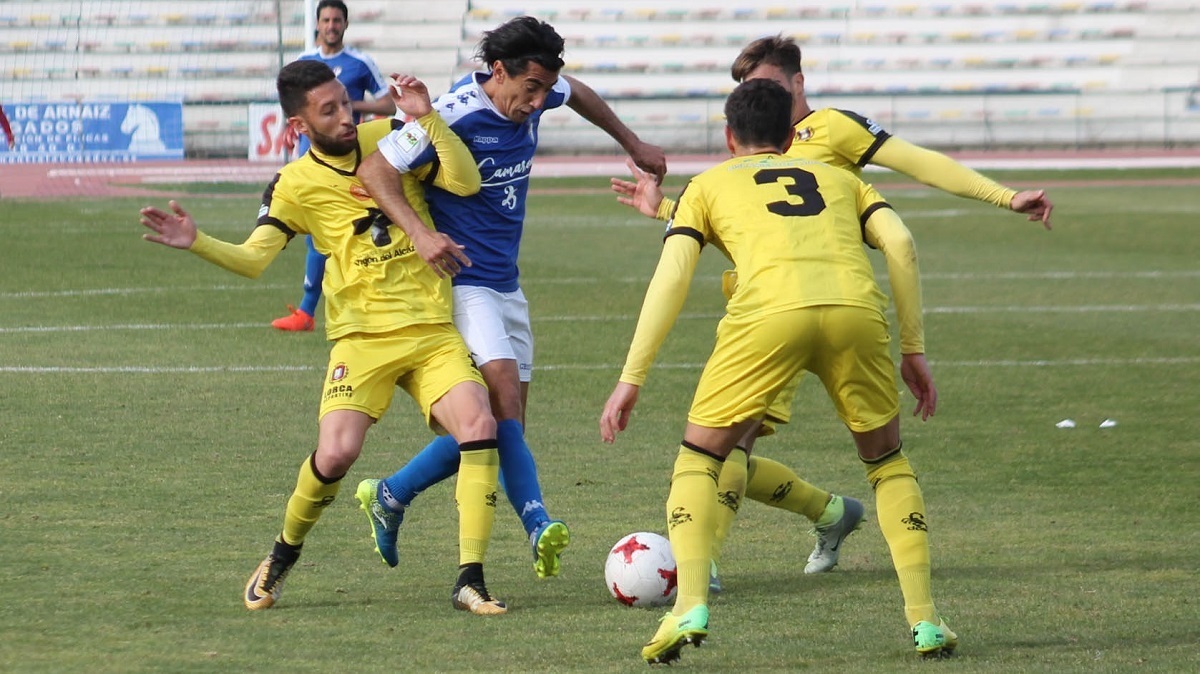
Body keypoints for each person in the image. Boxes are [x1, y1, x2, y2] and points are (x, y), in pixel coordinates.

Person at [611, 34, 1055, 586]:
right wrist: (666, 211)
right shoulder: (754, 148)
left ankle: (706, 572)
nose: (761, 94)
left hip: (816, 300)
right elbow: (746, 225)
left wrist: (1004, 196)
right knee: (736, 445)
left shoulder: (834, 129)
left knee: (721, 447)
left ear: (798, 83)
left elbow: (918, 162)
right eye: (749, 87)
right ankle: (823, 515)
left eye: (768, 84)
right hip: (773, 307)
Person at [600, 78, 955, 663]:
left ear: (728, 136)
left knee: (700, 459)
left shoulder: (706, 184)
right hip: (855, 311)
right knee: (887, 462)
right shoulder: (842, 179)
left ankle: (689, 605)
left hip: (767, 317)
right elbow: (901, 242)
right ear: (791, 137)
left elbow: (672, 277)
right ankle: (926, 619)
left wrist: (631, 378)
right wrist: (912, 348)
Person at [139, 61, 510, 616]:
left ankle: (470, 579)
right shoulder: (293, 184)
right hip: (361, 339)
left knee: (479, 426)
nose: (345, 117)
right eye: (329, 110)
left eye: (345, 103)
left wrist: (428, 117)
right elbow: (254, 259)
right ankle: (281, 555)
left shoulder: (390, 136)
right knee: (336, 453)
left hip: (431, 330)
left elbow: (465, 181)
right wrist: (198, 242)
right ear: (298, 125)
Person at [351, 16, 668, 581]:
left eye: (545, 89)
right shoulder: (452, 114)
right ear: (499, 71)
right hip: (463, 283)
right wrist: (420, 234)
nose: (540, 101)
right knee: (500, 408)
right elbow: (375, 171)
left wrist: (633, 142)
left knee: (504, 424)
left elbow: (578, 93)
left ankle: (391, 493)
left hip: (507, 285)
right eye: (531, 89)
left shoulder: (536, 95)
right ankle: (538, 522)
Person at [272, 0, 397, 332]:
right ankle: (309, 311)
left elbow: (388, 104)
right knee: (316, 235)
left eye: (337, 20)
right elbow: (295, 109)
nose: (331, 26)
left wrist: (345, 103)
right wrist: (289, 129)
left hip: (347, 158)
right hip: (310, 159)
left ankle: (313, 311)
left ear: (345, 24)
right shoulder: (304, 62)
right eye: (326, 20)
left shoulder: (359, 62)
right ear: (317, 24)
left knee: (344, 232)